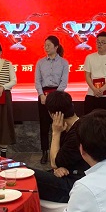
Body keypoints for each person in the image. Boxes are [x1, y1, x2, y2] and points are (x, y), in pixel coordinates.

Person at [32, 91, 89, 203]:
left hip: (74, 184)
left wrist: (56, 132)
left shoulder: (76, 133)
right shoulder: (71, 126)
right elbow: (57, 164)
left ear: (53, 114)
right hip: (67, 175)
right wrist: (57, 168)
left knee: (26, 174)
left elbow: (54, 162)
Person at [35, 35, 69, 164]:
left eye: (48, 45)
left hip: (58, 96)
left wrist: (55, 97)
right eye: (45, 45)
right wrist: (41, 95)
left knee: (59, 124)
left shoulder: (63, 63)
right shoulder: (40, 63)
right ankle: (45, 152)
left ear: (56, 47)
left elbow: (64, 82)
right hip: (43, 96)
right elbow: (37, 81)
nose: (46, 48)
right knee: (44, 125)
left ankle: (59, 152)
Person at [83, 31, 106, 115]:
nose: (99, 44)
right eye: (98, 42)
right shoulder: (89, 57)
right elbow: (87, 76)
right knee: (88, 119)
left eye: (103, 42)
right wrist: (94, 89)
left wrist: (102, 89)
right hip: (92, 93)